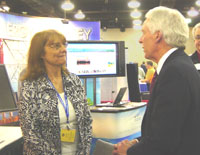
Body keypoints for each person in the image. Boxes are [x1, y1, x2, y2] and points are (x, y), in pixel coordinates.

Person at [113, 6, 200, 155]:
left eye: (143, 33)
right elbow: (169, 127)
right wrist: (139, 142)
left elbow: (163, 143)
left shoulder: (174, 72)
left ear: (157, 35)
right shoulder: (180, 64)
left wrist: (129, 151)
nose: (140, 40)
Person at [17, 29, 92, 155]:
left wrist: (84, 151)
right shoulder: (30, 85)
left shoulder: (74, 80)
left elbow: (87, 121)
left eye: (64, 44)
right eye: (56, 46)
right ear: (41, 53)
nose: (63, 49)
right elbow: (30, 133)